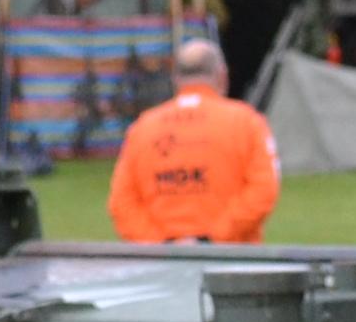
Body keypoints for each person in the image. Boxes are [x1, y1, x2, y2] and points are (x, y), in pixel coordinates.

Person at [108, 31, 279, 244]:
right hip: (231, 257)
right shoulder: (247, 122)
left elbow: (122, 202)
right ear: (223, 76)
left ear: (175, 79)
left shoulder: (143, 127)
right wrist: (211, 239)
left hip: (160, 261)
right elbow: (263, 190)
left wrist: (162, 245)